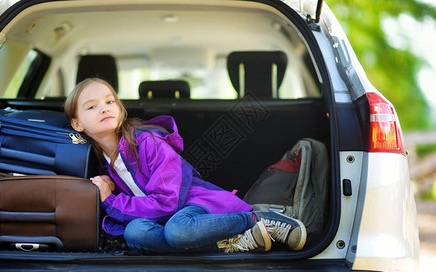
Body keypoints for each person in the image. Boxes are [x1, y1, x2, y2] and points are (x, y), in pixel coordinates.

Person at [64, 78, 306, 254]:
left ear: (120, 108)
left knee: (178, 232)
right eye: (91, 106)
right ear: (77, 124)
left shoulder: (149, 143)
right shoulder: (102, 166)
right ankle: (229, 244)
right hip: (165, 220)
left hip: (197, 209)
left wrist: (111, 201)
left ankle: (255, 220)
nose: (104, 108)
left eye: (109, 101)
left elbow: (166, 203)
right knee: (135, 233)